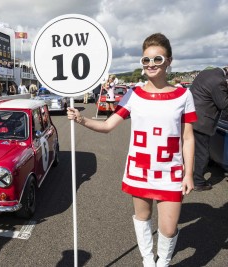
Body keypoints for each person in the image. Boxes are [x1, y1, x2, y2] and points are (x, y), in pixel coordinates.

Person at [67, 33, 196, 267]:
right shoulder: (133, 94)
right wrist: (81, 120)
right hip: (141, 168)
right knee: (143, 217)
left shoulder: (183, 95)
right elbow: (107, 125)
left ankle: (163, 262)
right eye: (146, 60)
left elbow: (188, 137)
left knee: (168, 228)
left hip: (171, 171)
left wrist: (188, 173)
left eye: (157, 59)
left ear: (169, 61)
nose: (151, 65)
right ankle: (148, 261)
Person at [190, 66, 228, 191]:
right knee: (202, 152)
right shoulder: (219, 80)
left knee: (193, 149)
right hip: (203, 120)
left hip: (192, 115)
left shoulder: (205, 73)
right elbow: (223, 103)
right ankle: (198, 182)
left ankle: (189, 175)